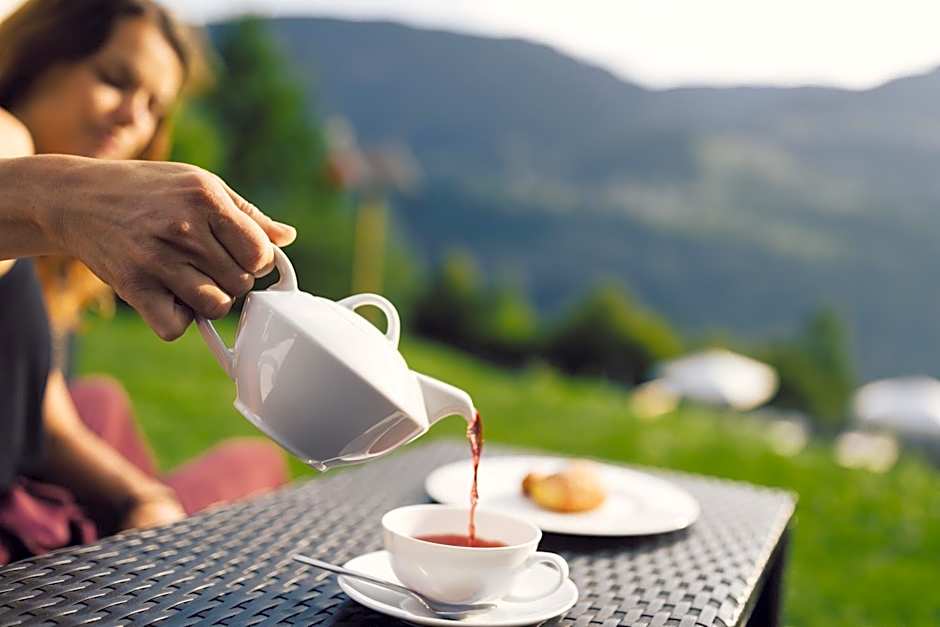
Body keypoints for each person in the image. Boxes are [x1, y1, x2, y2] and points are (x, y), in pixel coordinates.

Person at [0, 0, 297, 565]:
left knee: (102, 402)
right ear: (37, 62)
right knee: (251, 464)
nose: (132, 117)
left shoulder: (44, 261)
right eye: (114, 80)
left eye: (155, 109)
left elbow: (40, 409)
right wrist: (60, 198)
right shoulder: (8, 136)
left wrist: (144, 497)